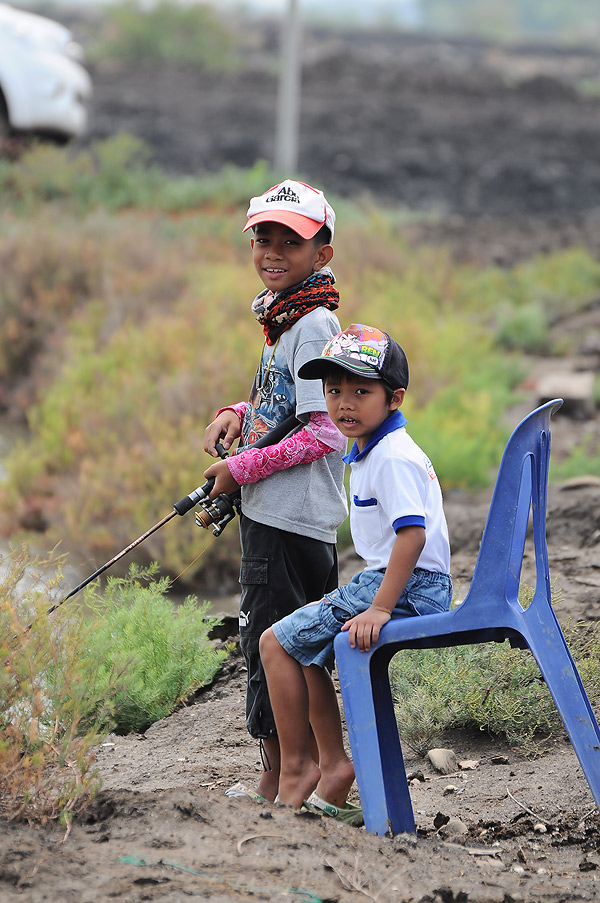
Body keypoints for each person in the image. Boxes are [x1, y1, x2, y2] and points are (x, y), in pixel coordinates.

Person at [259, 324, 452, 818]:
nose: (344, 403)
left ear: (394, 398)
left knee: (274, 643)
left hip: (407, 586)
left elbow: (413, 536)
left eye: (361, 391)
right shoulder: (372, 449)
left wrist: (381, 607)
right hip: (400, 580)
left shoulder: (391, 457)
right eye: (334, 391)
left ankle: (302, 768)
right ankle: (332, 767)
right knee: (304, 649)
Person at [203, 180, 348, 802]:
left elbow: (324, 431)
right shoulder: (284, 319)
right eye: (263, 237)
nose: (273, 251)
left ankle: (282, 772)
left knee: (270, 641)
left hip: (289, 518)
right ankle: (310, 766)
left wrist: (242, 469)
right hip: (288, 515)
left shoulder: (311, 325)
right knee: (298, 643)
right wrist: (241, 409)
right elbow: (286, 401)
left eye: (292, 241)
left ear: (323, 253)